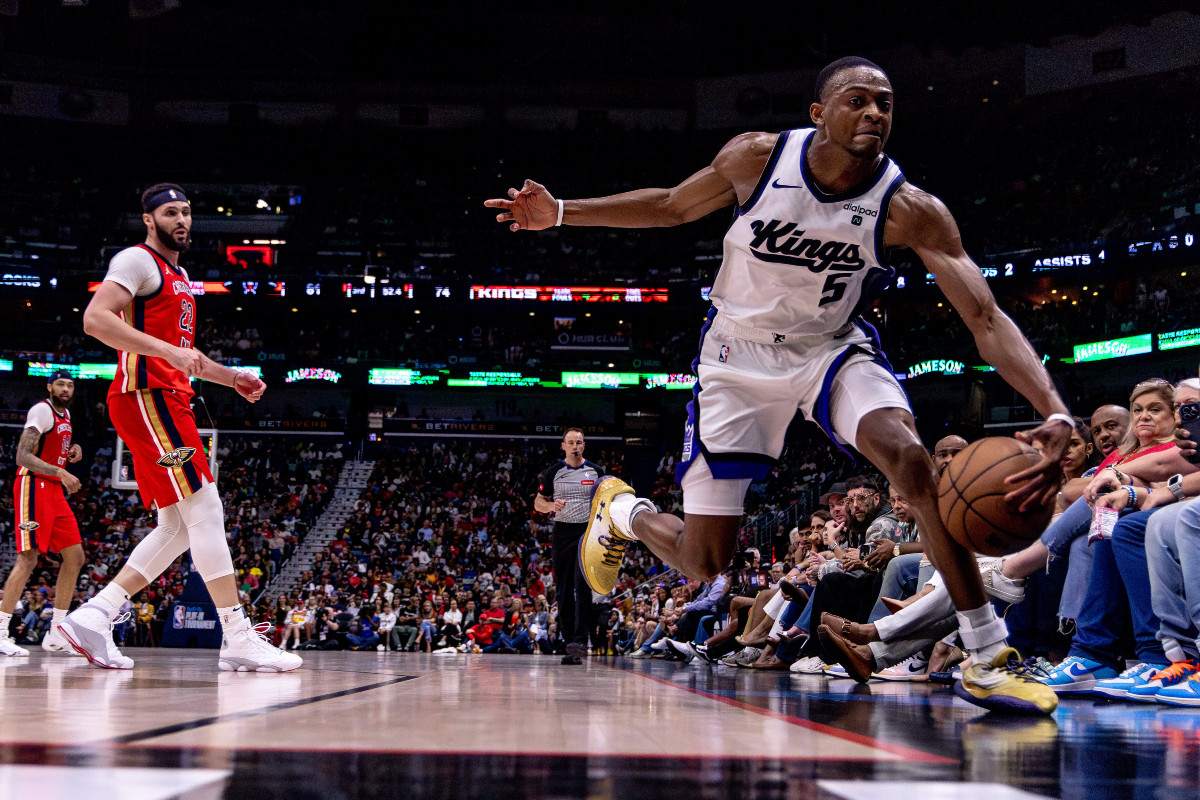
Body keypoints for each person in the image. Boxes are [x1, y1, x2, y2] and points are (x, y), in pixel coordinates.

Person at [487, 56, 1072, 714]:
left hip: (830, 348)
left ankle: (987, 654)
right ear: (819, 113)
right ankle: (622, 512)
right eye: (857, 100)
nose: (875, 113)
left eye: (884, 103)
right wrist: (561, 211)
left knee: (911, 459)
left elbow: (986, 318)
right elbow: (673, 207)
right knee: (705, 563)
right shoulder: (758, 160)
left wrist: (1056, 413)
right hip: (736, 357)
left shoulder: (910, 210)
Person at [59, 183, 300, 673]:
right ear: (148, 219)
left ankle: (95, 614)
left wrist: (230, 378)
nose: (182, 220)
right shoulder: (136, 260)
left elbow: (185, 353)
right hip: (148, 397)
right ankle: (236, 635)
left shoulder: (180, 275)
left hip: (167, 397)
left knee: (176, 525)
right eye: (171, 213)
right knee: (205, 507)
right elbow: (95, 320)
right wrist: (168, 353)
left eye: (187, 212)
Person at [0, 371, 87, 658]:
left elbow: (51, 451)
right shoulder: (41, 409)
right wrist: (61, 471)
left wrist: (70, 451)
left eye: (70, 384)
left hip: (53, 490)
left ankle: (57, 633)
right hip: (32, 485)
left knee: (75, 557)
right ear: (49, 387)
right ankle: (1, 631)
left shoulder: (66, 415)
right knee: (28, 557)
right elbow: (22, 457)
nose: (65, 388)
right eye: (60, 384)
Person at [533, 427, 605, 665]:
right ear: (563, 446)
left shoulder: (596, 472)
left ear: (584, 446)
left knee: (582, 586)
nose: (575, 446)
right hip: (562, 533)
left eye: (579, 442)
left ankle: (581, 640)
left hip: (587, 533)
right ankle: (569, 644)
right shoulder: (554, 472)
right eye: (571, 442)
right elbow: (538, 503)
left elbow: (607, 502)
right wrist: (552, 505)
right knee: (563, 588)